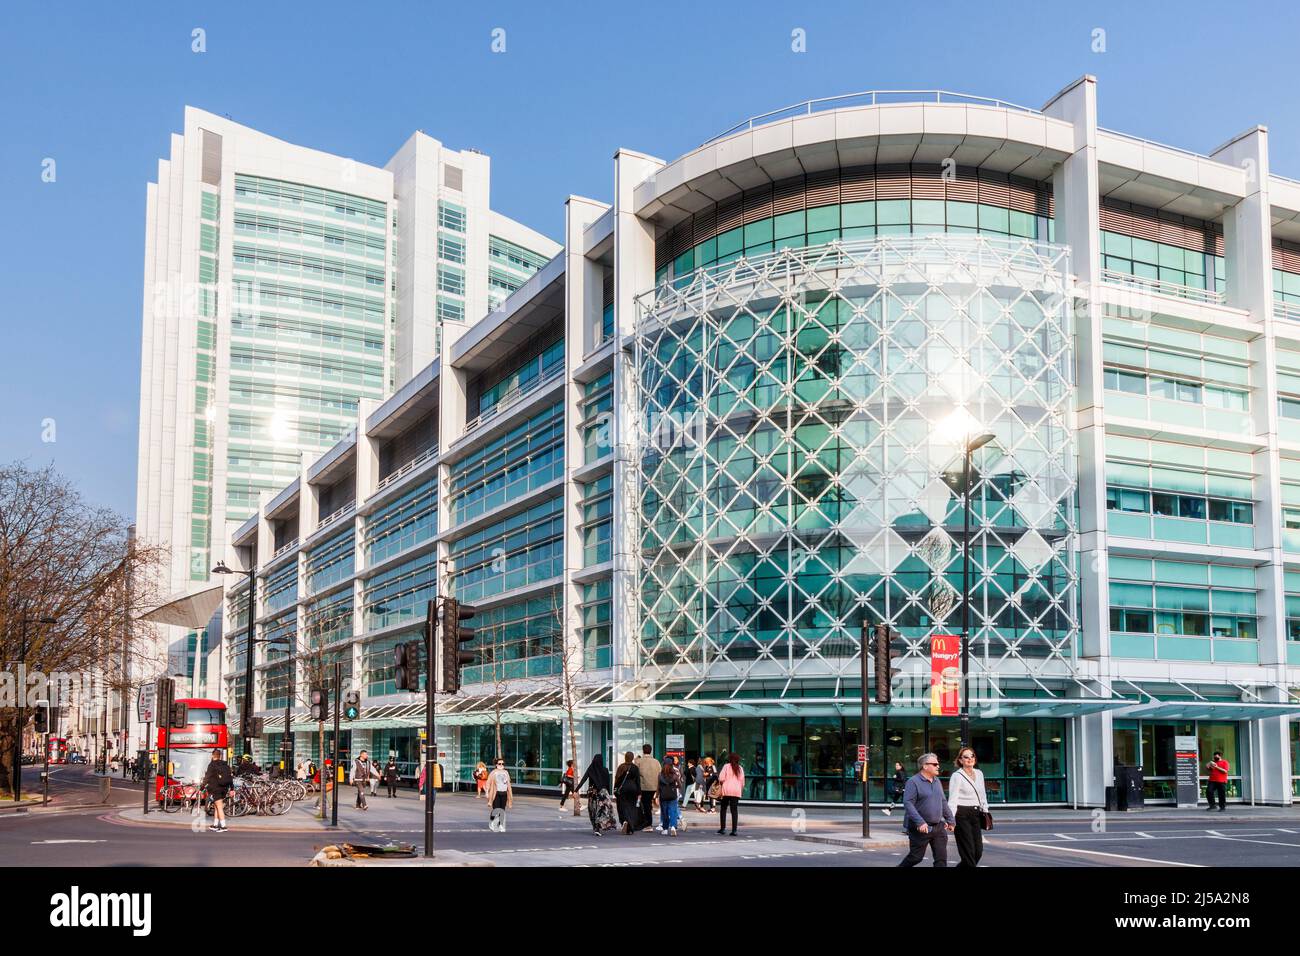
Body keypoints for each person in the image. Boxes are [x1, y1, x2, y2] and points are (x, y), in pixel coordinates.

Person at [898, 753, 955, 867]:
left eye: (938, 764)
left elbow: (943, 801)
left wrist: (950, 820)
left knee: (941, 860)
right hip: (921, 828)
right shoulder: (913, 782)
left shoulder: (937, 781)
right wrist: (920, 822)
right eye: (935, 764)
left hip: (938, 827)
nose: (938, 766)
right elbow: (908, 803)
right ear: (925, 766)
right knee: (916, 857)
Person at [948, 747, 989, 868]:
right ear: (960, 760)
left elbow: (982, 794)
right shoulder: (957, 776)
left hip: (976, 813)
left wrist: (985, 810)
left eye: (972, 756)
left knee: (978, 852)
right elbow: (953, 799)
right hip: (961, 814)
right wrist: (951, 819)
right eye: (966, 757)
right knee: (968, 852)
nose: (970, 759)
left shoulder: (979, 773)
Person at [576, 753, 612, 834]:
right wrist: (608, 794)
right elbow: (607, 783)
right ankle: (599, 825)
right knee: (602, 810)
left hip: (593, 794)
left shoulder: (591, 769)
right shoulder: (605, 770)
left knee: (593, 810)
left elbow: (583, 780)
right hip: (603, 794)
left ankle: (596, 827)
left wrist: (576, 790)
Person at [201, 748, 233, 832]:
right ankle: (215, 824)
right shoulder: (225, 765)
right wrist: (232, 788)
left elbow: (207, 777)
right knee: (216, 806)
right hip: (224, 788)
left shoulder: (211, 765)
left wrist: (202, 787)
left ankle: (223, 826)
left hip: (215, 788)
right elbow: (230, 777)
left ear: (212, 755)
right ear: (220, 756)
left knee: (219, 807)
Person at [633, 745, 661, 831]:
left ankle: (648, 824)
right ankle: (647, 823)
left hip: (643, 787)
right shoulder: (656, 762)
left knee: (645, 806)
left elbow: (635, 773)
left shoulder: (639, 761)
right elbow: (660, 774)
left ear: (643, 750)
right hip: (654, 786)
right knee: (648, 805)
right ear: (651, 751)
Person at [717, 752, 744, 836]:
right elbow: (742, 782)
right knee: (734, 810)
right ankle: (734, 830)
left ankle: (723, 828)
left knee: (723, 809)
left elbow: (721, 778)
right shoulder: (740, 768)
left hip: (726, 790)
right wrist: (740, 789)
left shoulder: (726, 766)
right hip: (736, 791)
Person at [615, 752, 641, 834]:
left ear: (625, 757)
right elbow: (638, 781)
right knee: (632, 807)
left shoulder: (621, 767)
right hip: (633, 788)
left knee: (622, 806)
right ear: (632, 758)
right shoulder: (635, 768)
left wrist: (615, 789)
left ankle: (624, 821)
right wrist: (639, 792)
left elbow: (617, 779)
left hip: (622, 789)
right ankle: (631, 826)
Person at [485, 757, 513, 832]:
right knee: (496, 810)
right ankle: (492, 823)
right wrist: (487, 792)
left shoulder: (506, 772)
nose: (501, 765)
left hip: (504, 793)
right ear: (496, 765)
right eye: (499, 764)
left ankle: (501, 825)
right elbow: (488, 782)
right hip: (496, 793)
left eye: (502, 764)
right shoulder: (493, 772)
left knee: (502, 810)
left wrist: (509, 792)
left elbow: (508, 783)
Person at [658, 755, 683, 836]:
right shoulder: (674, 774)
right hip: (672, 795)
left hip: (663, 795)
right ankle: (673, 827)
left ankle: (665, 829)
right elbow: (680, 785)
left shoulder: (660, 775)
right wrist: (674, 787)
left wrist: (656, 795)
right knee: (673, 811)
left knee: (664, 812)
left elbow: (658, 787)